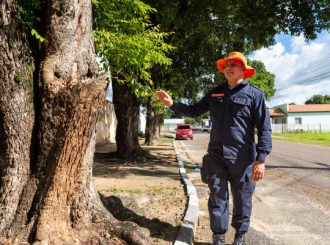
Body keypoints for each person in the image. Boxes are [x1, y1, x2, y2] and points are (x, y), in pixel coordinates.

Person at [157, 51, 272, 245]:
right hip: (217, 156)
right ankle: (218, 237)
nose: (228, 68)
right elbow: (194, 110)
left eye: (233, 64)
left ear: (243, 69)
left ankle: (240, 236)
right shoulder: (215, 93)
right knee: (217, 198)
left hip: (243, 159)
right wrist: (172, 104)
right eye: (226, 65)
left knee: (243, 199)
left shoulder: (255, 95)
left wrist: (260, 160)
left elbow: (264, 128)